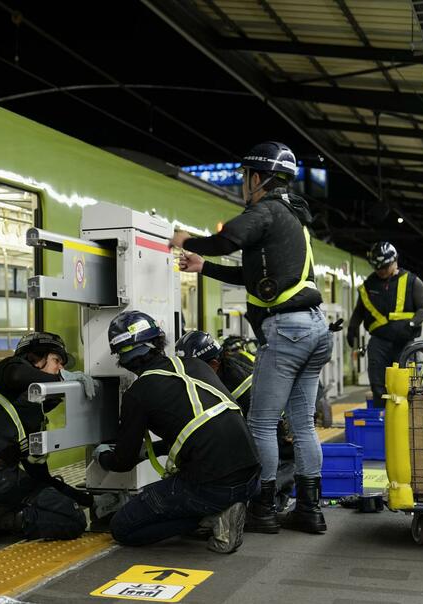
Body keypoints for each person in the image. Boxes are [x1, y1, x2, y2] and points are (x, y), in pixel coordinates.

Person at [169, 141, 332, 535]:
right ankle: (310, 510)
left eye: (246, 177)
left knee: (261, 423)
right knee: (303, 425)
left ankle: (262, 509)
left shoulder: (266, 210)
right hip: (315, 329)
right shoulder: (294, 217)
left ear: (256, 178)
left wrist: (185, 240)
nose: (245, 184)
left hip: (288, 330)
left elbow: (228, 240)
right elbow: (251, 275)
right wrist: (203, 266)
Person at [94, 311, 260, 554]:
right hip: (251, 477)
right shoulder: (197, 365)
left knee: (123, 527)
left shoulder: (137, 394)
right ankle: (221, 508)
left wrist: (102, 456)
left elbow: (122, 462)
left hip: (214, 487)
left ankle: (212, 517)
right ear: (159, 341)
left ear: (122, 358)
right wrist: (149, 452)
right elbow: (205, 426)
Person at [0, 331, 95, 546]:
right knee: (71, 519)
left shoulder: (23, 411)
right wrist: (60, 379)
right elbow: (17, 375)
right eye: (57, 361)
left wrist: (88, 500)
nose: (61, 369)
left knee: (50, 501)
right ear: (35, 358)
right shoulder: (7, 370)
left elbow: (39, 476)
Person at [177, 330, 295, 509]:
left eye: (192, 368)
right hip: (261, 441)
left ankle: (269, 498)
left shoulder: (239, 386)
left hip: (277, 450)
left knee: (249, 488)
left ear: (214, 364)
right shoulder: (218, 375)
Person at [346, 242, 423, 407]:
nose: (381, 271)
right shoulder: (369, 285)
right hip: (379, 342)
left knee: (406, 382)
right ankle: (382, 418)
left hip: (405, 342)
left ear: (395, 260)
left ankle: (409, 418)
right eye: (378, 268)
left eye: (385, 267)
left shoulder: (412, 281)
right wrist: (352, 327)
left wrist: (412, 324)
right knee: (378, 382)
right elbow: (359, 312)